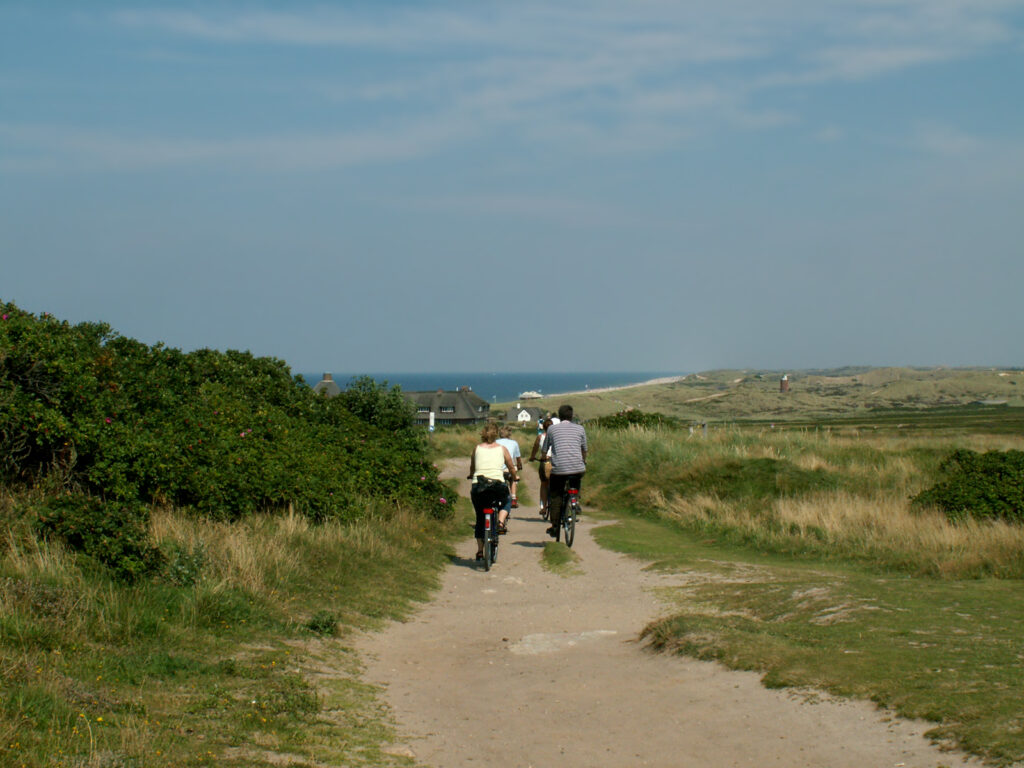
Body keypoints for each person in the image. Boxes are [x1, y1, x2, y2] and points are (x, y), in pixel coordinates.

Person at [467, 422, 518, 561]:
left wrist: (472, 475)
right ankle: (501, 522)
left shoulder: (477, 448)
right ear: (496, 434)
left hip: (479, 486)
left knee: (480, 517)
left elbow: (473, 466)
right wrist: (514, 477)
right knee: (507, 500)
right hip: (497, 485)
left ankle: (479, 550)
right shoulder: (502, 449)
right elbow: (511, 466)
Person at [542, 404, 587, 539]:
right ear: (571, 416)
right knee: (576, 479)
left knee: (556, 496)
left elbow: (545, 450)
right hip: (577, 468)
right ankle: (575, 500)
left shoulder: (551, 430)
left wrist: (544, 458)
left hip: (559, 470)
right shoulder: (580, 429)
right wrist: (583, 460)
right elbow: (584, 449)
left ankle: (555, 526)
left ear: (559, 416)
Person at [528, 418, 554, 518]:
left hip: (545, 462)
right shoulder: (556, 436)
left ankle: (543, 507)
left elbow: (535, 447)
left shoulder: (540, 437)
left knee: (544, 484)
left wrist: (532, 456)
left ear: (543, 427)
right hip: (555, 461)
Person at [496, 425, 523, 509]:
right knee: (513, 478)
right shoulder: (514, 443)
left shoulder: (495, 442)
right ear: (509, 434)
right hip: (508, 468)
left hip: (497, 468)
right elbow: (518, 458)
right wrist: (519, 465)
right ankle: (514, 498)